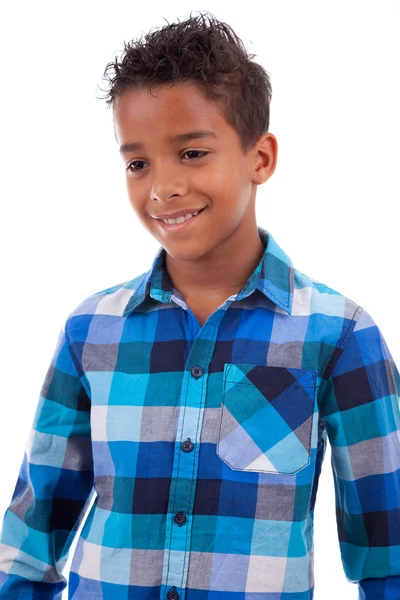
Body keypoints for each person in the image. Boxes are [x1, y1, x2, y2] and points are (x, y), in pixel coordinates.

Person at [0, 10, 399, 600]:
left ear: (260, 158)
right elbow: (32, 542)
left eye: (190, 153)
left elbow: (387, 553)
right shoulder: (92, 331)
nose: (161, 187)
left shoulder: (339, 336)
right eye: (138, 163)